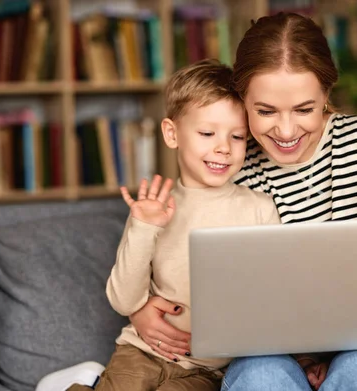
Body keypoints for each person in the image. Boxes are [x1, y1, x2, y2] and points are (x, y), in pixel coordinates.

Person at [129, 12, 357, 391]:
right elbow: (183, 250)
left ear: (326, 97)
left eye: (304, 109)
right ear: (242, 100)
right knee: (260, 376)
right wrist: (141, 310)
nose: (285, 131)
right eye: (265, 111)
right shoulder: (229, 161)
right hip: (274, 355)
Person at [36, 59, 280, 391]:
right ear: (171, 133)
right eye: (207, 133)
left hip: (204, 371)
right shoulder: (154, 208)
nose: (223, 147)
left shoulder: (259, 209)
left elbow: (271, 298)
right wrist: (142, 226)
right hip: (141, 352)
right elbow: (123, 300)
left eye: (237, 137)